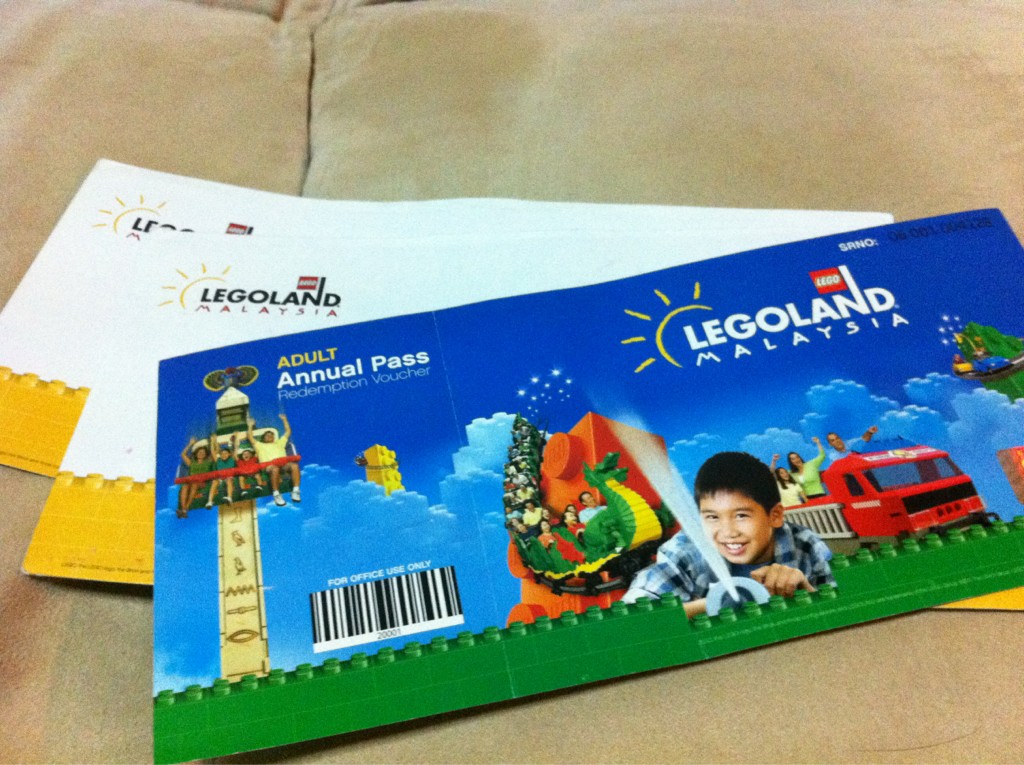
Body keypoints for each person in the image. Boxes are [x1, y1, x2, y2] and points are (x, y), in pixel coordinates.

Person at [623, 451, 834, 618]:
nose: (728, 532)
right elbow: (632, 621)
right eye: (712, 517)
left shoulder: (804, 543)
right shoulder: (683, 550)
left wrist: (807, 590)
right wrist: (717, 602)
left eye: (741, 515)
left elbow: (841, 607)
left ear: (775, 515)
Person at [246, 413, 301, 507]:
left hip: (283, 464)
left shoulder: (279, 443)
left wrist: (284, 419)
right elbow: (250, 437)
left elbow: (288, 432)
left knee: (294, 466)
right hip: (269, 466)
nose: (270, 436)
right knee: (275, 468)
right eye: (267, 435)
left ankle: (295, 491)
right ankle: (276, 494)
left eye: (271, 435)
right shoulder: (260, 445)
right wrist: (250, 425)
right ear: (264, 438)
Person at [178, 436, 214, 516]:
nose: (201, 454)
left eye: (203, 453)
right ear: (196, 453)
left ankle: (186, 508)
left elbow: (213, 452)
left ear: (205, 454)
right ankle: (183, 509)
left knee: (194, 485)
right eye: (199, 452)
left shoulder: (208, 462)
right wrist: (190, 444)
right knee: (185, 486)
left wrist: (212, 442)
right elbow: (183, 454)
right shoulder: (192, 463)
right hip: (191, 481)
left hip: (201, 482)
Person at [206, 432, 239, 507]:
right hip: (220, 478)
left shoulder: (232, 459)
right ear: (220, 455)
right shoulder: (218, 460)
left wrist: (236, 437)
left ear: (229, 454)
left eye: (226, 453)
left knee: (229, 480)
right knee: (214, 482)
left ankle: (229, 498)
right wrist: (213, 440)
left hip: (229, 477)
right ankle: (210, 501)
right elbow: (212, 451)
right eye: (222, 454)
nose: (224, 455)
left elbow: (235, 448)